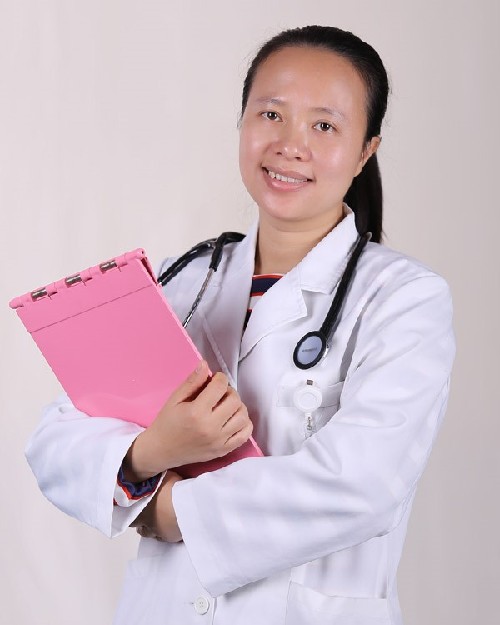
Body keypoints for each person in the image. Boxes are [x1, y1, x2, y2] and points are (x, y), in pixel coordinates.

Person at [26, 25, 455, 625]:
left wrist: (171, 513)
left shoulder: (403, 299)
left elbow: (361, 485)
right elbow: (56, 436)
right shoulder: (184, 280)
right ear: (242, 122)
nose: (290, 144)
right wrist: (152, 452)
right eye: (271, 114)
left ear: (365, 151)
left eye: (324, 126)